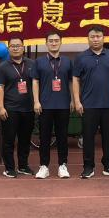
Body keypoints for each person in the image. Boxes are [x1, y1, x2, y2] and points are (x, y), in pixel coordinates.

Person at [73, 25, 109, 179]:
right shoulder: (81, 57)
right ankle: (88, 167)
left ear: (103, 38)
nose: (95, 39)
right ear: (88, 39)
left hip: (108, 104)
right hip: (88, 105)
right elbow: (75, 79)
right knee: (88, 137)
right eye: (92, 37)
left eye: (98, 36)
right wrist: (77, 101)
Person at [31, 30, 73, 179]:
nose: (53, 43)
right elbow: (35, 82)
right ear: (46, 43)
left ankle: (63, 165)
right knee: (44, 137)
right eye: (51, 41)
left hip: (63, 104)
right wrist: (36, 101)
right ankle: (44, 166)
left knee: (62, 136)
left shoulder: (67, 61)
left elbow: (71, 82)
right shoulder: (39, 62)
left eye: (56, 40)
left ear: (61, 42)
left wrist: (73, 100)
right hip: (45, 105)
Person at [0, 35, 35, 178]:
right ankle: (9, 168)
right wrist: (1, 107)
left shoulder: (31, 64)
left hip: (28, 108)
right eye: (13, 46)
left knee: (25, 139)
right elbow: (0, 88)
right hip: (10, 109)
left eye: (18, 45)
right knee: (9, 140)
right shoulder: (3, 67)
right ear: (8, 48)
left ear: (23, 48)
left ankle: (23, 166)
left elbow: (36, 84)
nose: (16, 48)